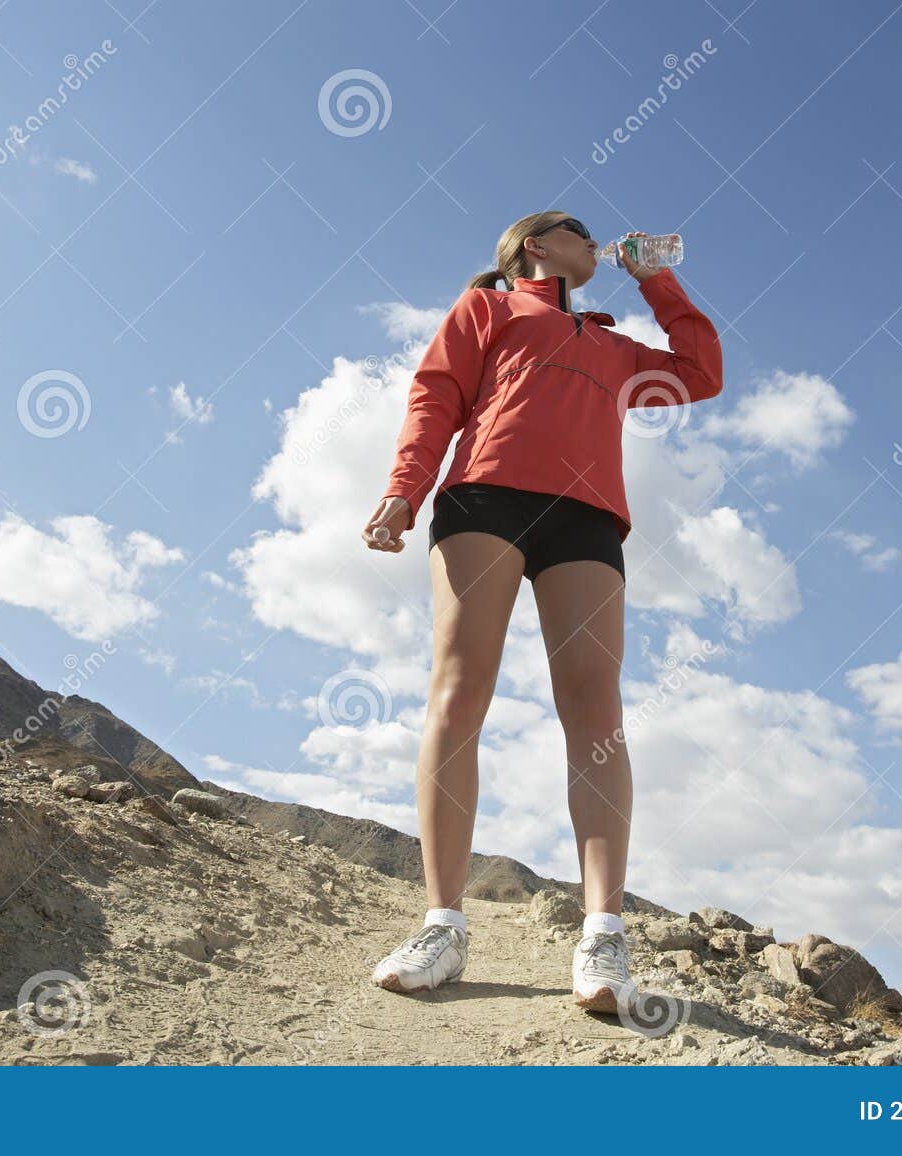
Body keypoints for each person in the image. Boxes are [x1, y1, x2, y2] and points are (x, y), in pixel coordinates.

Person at [360, 211, 723, 1014]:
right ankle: (443, 924)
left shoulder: (615, 347)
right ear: (537, 245)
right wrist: (402, 492)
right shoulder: (487, 309)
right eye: (580, 233)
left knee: (596, 707)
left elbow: (700, 372)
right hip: (485, 496)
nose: (597, 244)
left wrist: (654, 279)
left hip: (588, 516)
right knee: (459, 696)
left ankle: (602, 935)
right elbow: (436, 396)